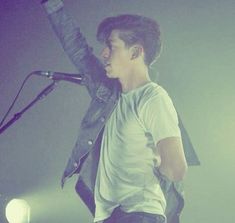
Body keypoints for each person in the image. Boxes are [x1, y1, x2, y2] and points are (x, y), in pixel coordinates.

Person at [41, 1, 199, 223]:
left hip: (139, 215)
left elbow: (175, 169)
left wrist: (144, 181)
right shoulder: (109, 94)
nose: (104, 53)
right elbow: (79, 51)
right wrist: (52, 6)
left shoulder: (153, 98)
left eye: (112, 46)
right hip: (108, 216)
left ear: (135, 52)